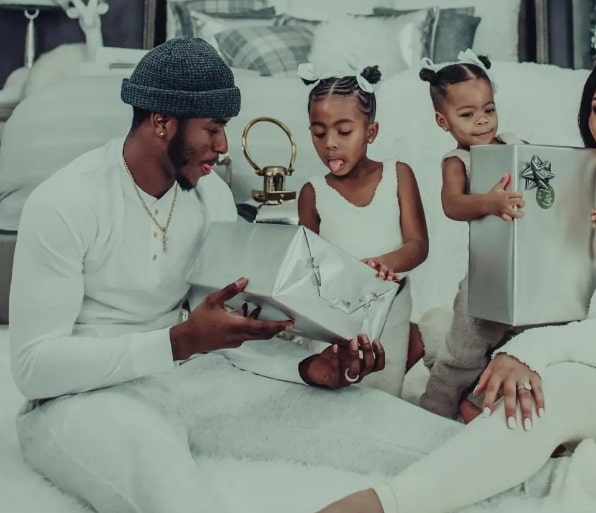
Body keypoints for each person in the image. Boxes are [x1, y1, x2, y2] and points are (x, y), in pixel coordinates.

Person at [9, 38, 458, 513]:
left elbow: (229, 332)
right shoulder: (65, 203)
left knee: (387, 427)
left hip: (195, 379)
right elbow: (33, 369)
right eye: (214, 128)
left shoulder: (210, 199)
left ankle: (533, 470)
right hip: (85, 397)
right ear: (161, 122)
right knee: (167, 485)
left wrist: (305, 370)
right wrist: (178, 342)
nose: (223, 148)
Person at [318, 49, 596, 513]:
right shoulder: (589, 179)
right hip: (588, 347)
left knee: (551, 388)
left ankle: (390, 502)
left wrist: (530, 352)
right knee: (470, 329)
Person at [418, 52, 596, 421]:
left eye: (488, 110)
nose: (481, 122)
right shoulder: (458, 161)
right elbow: (452, 205)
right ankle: (433, 412)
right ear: (443, 121)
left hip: (530, 273)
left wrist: (588, 203)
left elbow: (548, 187)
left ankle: (478, 407)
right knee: (463, 353)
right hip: (486, 278)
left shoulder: (514, 144)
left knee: (523, 346)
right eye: (467, 114)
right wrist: (489, 202)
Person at [297, 62, 428, 396]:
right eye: (318, 132)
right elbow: (306, 262)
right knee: (336, 395)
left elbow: (417, 244)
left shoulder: (398, 175)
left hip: (389, 310)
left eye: (344, 131)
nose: (330, 144)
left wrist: (388, 263)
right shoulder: (313, 192)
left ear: (371, 131)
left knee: (383, 390)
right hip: (334, 315)